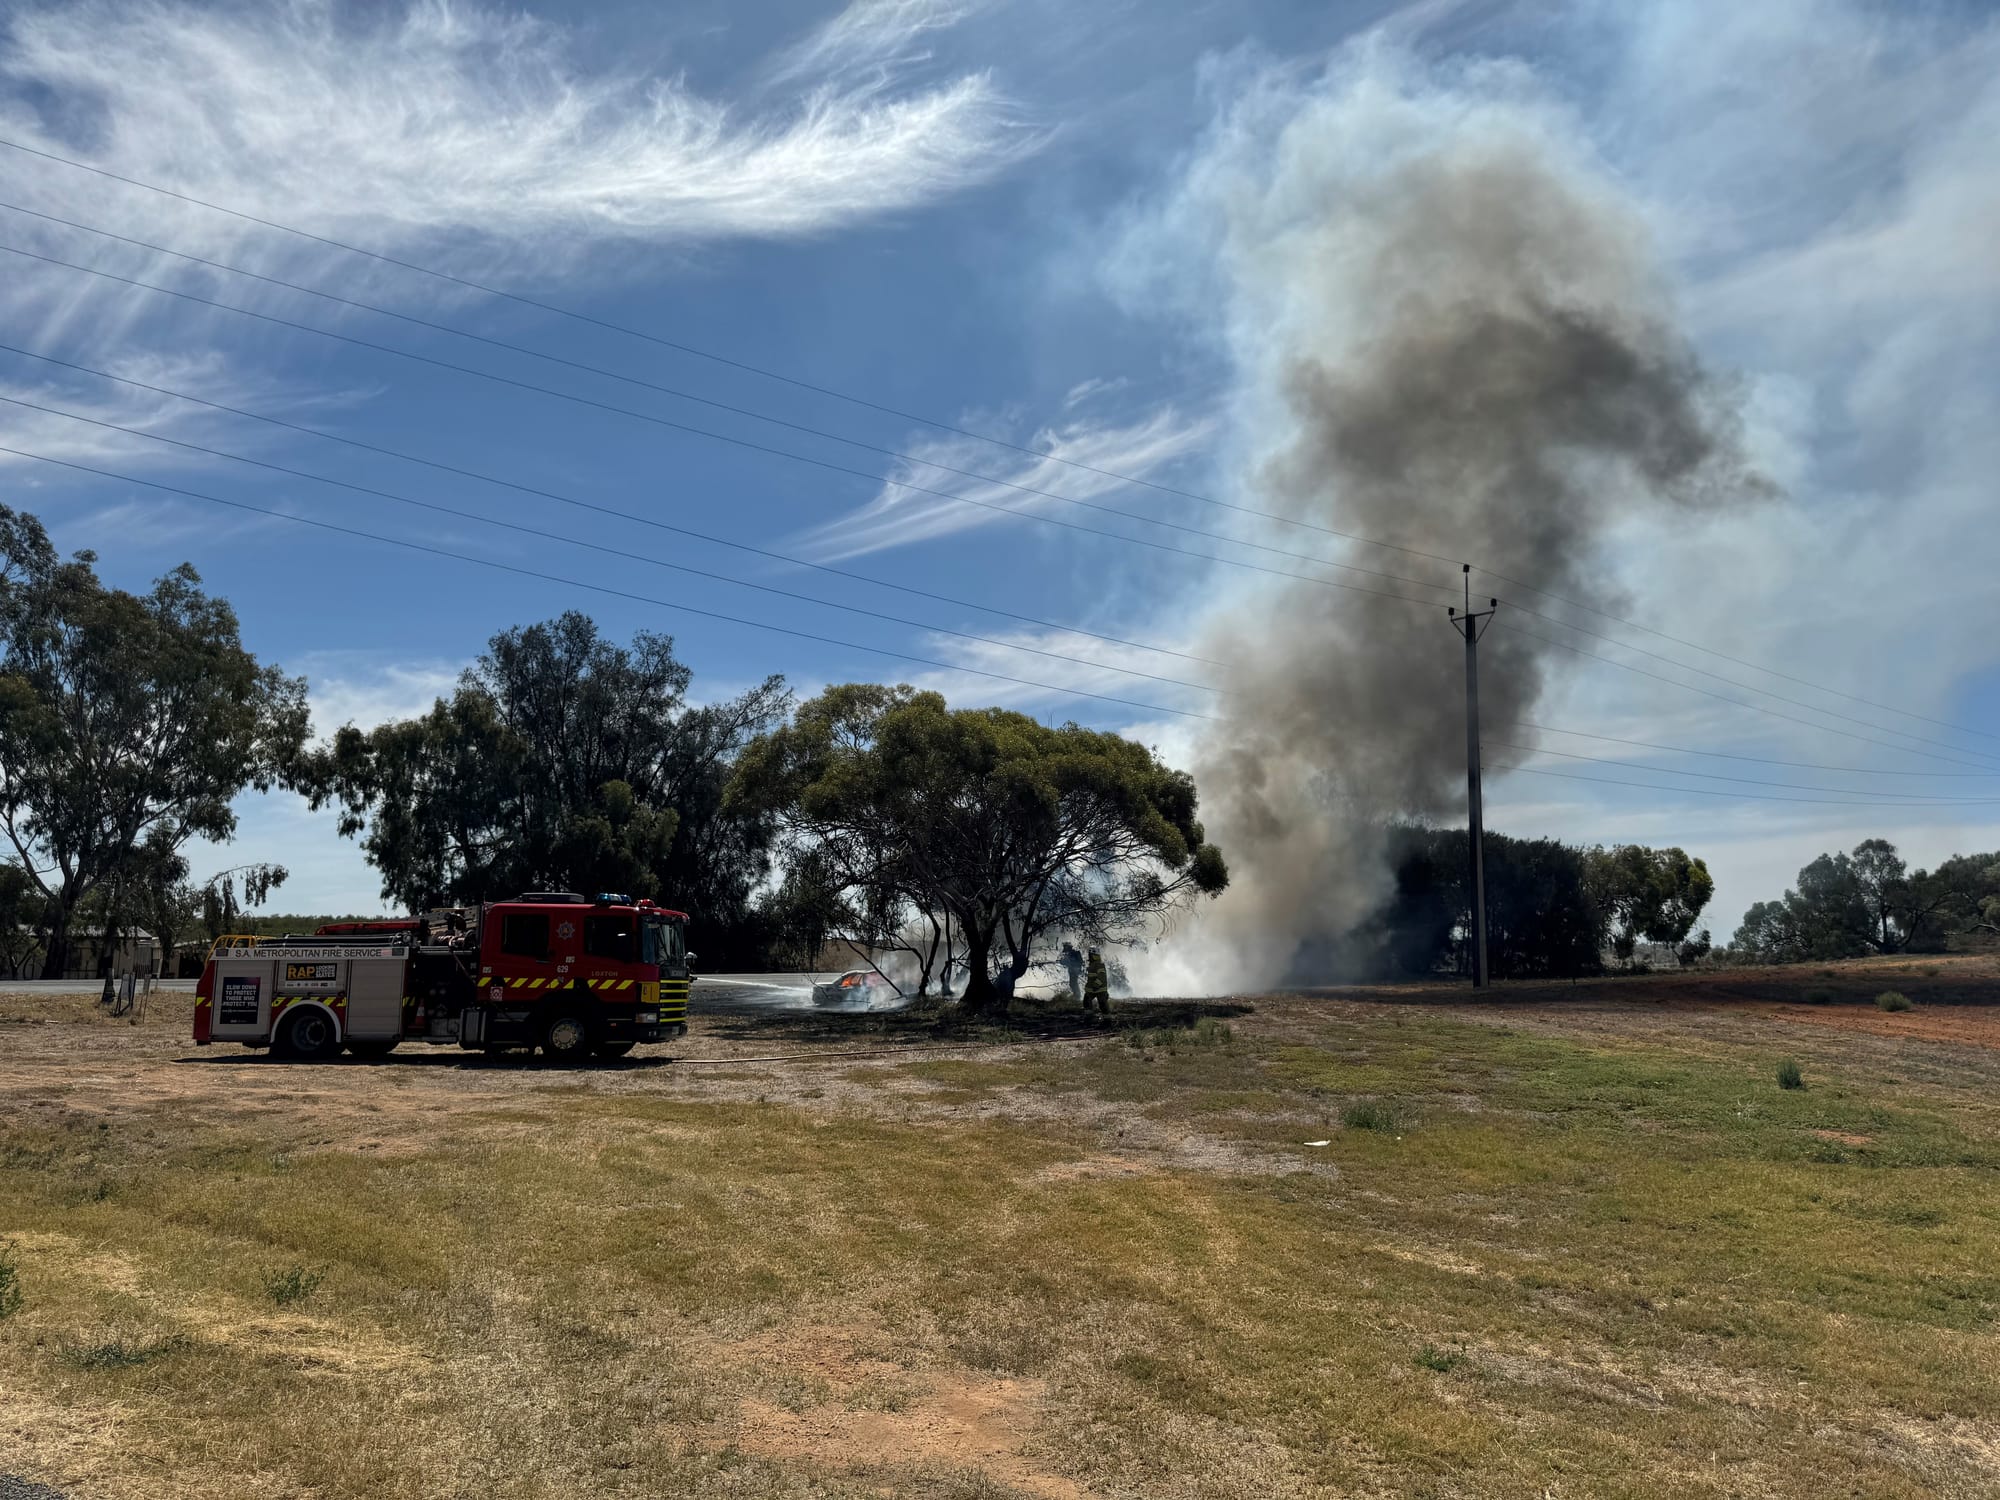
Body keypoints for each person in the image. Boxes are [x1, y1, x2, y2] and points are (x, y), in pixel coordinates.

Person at [1083, 948, 1110, 1016]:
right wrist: (1088, 987)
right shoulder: (1092, 964)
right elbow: (1091, 978)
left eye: (1090, 955)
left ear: (1094, 955)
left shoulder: (1099, 964)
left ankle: (1107, 1021)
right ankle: (1089, 1017)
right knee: (1086, 1002)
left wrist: (1096, 985)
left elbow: (1102, 977)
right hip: (1092, 989)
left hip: (1100, 989)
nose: (1089, 956)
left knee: (1102, 1004)